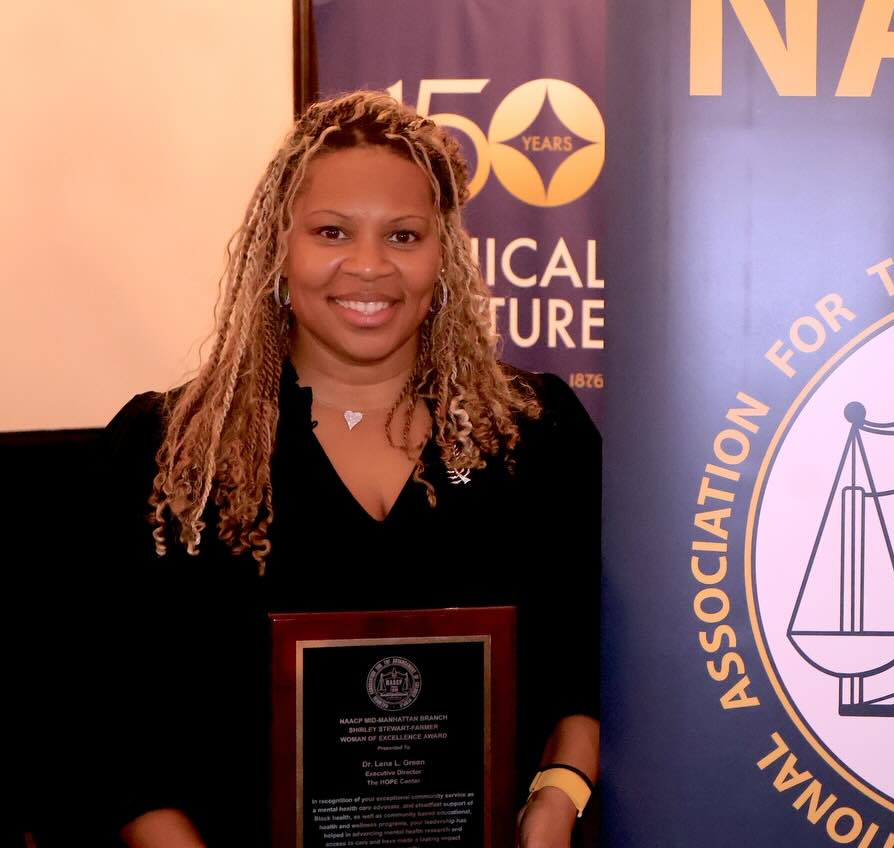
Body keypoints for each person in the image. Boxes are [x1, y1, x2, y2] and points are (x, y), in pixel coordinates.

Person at [83, 91, 599, 847]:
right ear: (278, 252)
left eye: (403, 235)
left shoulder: (535, 434)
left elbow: (589, 665)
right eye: (331, 231)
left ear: (443, 256)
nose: (368, 266)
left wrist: (559, 798)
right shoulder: (166, 454)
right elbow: (106, 726)